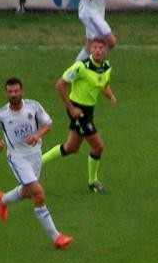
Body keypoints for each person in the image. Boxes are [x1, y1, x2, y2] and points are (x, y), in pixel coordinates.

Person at [0, 77, 73, 249]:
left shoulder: (33, 107)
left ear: (22, 91)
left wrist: (37, 135)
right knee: (38, 194)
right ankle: (57, 237)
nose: (13, 94)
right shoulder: (1, 114)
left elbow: (48, 124)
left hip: (35, 155)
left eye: (16, 91)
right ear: (6, 93)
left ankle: (3, 199)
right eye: (10, 91)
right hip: (17, 158)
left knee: (28, 191)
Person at [40, 37, 117, 193]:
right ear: (90, 48)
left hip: (89, 110)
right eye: (95, 47)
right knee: (98, 146)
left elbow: (104, 84)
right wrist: (71, 108)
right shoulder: (80, 67)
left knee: (71, 147)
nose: (98, 50)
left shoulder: (107, 67)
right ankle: (93, 181)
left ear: (105, 50)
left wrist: (110, 95)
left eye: (101, 48)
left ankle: (36, 162)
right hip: (78, 111)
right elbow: (60, 85)